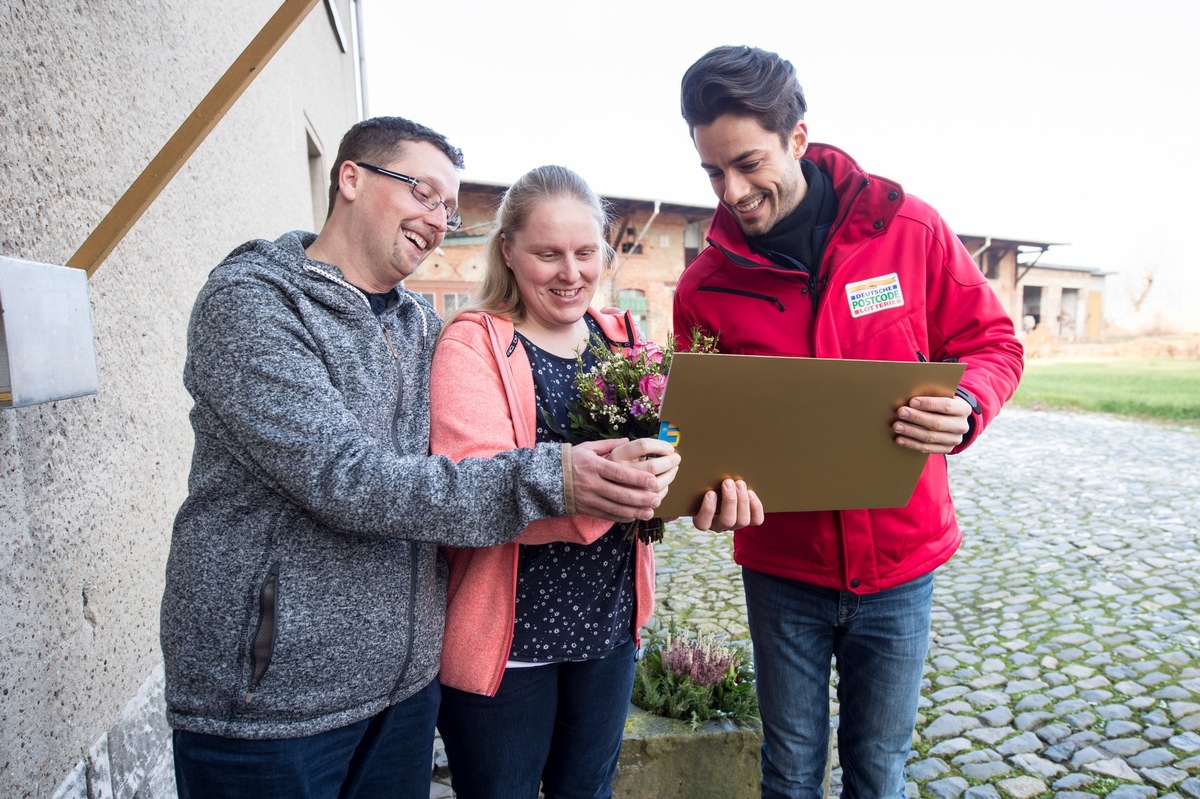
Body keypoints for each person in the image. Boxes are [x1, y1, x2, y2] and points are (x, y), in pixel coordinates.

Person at [159, 118, 681, 799]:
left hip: (400, 695)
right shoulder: (256, 303)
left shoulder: (414, 326)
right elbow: (342, 478)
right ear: (350, 177)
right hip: (273, 705)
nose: (439, 220)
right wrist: (559, 478)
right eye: (423, 192)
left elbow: (440, 487)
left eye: (448, 206)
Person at [675, 47, 1024, 799]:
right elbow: (693, 428)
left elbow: (994, 343)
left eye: (747, 162)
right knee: (790, 771)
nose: (732, 191)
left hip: (902, 561)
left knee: (879, 768)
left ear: (798, 138)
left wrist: (968, 405)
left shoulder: (910, 231)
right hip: (782, 569)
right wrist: (702, 488)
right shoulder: (704, 287)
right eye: (711, 172)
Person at [428, 164, 761, 799]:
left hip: (606, 625)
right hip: (511, 639)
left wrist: (691, 483)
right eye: (547, 254)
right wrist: (600, 492)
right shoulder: (474, 344)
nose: (570, 272)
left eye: (585, 253)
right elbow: (466, 493)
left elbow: (671, 445)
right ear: (508, 251)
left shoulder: (622, 337)